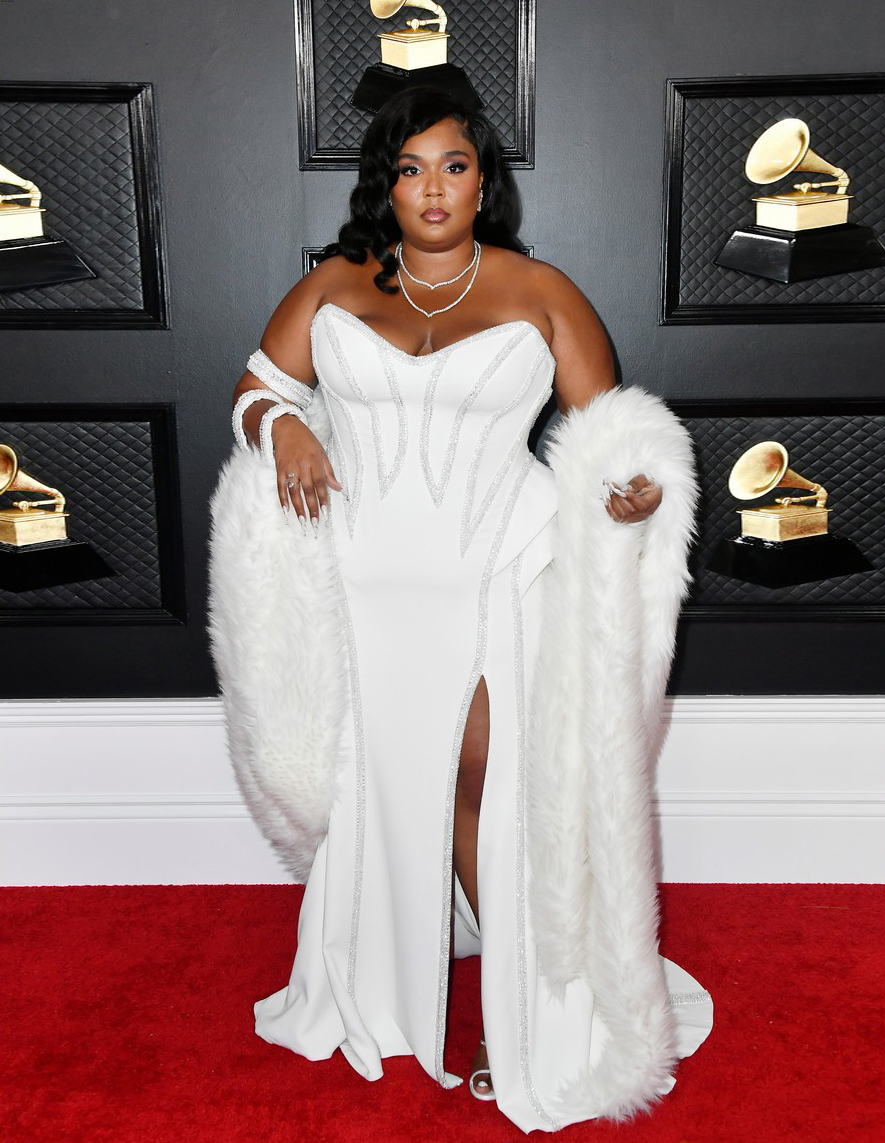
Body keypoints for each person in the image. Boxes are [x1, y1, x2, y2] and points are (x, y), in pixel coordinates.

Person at [209, 86, 712, 1134]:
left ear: (486, 181)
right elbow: (256, 388)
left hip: (499, 575)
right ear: (383, 184)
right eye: (410, 168)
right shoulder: (336, 285)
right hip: (365, 590)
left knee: (487, 786)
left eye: (453, 166)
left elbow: (606, 436)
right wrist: (285, 430)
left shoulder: (541, 291)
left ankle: (513, 1013)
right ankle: (394, 977)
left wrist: (631, 490)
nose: (432, 188)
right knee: (392, 792)